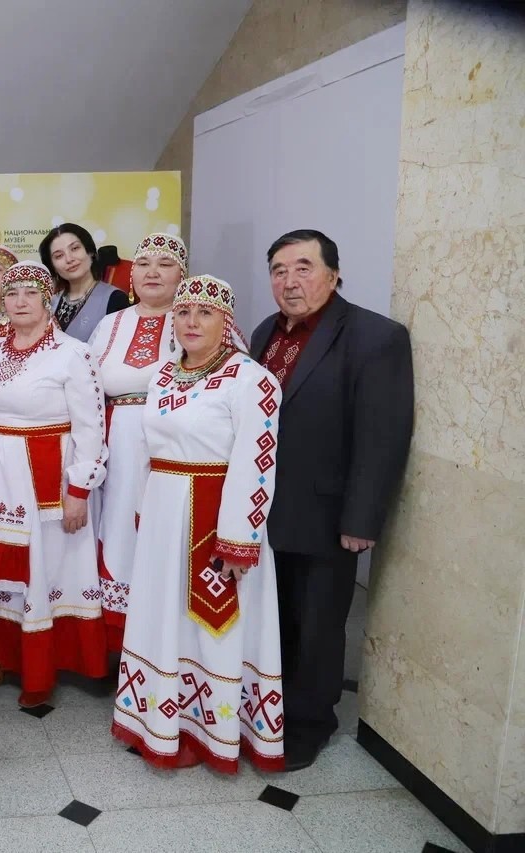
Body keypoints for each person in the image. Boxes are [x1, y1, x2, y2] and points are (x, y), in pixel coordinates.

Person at [251, 229, 414, 770]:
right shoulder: (264, 333)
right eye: (278, 270)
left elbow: (383, 434)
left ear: (334, 274)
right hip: (262, 511)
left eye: (303, 267)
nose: (289, 281)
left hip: (325, 513)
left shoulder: (375, 336)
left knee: (318, 625)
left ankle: (308, 725)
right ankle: (268, 711)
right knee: (275, 618)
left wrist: (361, 518)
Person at [113, 274, 285, 774]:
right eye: (184, 312)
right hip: (164, 519)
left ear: (225, 321)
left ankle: (213, 732)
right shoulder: (164, 374)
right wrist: (144, 510)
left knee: (211, 629)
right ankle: (161, 723)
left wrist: (239, 541)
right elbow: (147, 450)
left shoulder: (251, 379)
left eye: (205, 313)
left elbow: (256, 462)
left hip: (215, 522)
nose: (191, 321)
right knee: (162, 618)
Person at [0, 262, 108, 708]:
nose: (20, 301)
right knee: (7, 565)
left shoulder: (73, 353)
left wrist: (79, 490)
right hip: (2, 476)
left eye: (30, 292)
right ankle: (3, 659)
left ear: (48, 300)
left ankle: (42, 670)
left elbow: (91, 428)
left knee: (48, 568)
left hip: (48, 479)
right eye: (12, 293)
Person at [87, 232, 187, 652]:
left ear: (182, 274)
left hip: (176, 452)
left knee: (164, 537)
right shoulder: (111, 324)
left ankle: (166, 646)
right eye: (144, 263)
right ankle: (118, 646)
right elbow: (86, 386)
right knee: (116, 531)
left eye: (165, 264)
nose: (152, 272)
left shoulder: (199, 319)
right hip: (116, 449)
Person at [40, 223, 125, 341]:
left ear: (90, 251)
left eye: (75, 248)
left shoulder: (115, 300)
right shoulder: (50, 303)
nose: (69, 259)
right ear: (52, 266)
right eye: (59, 256)